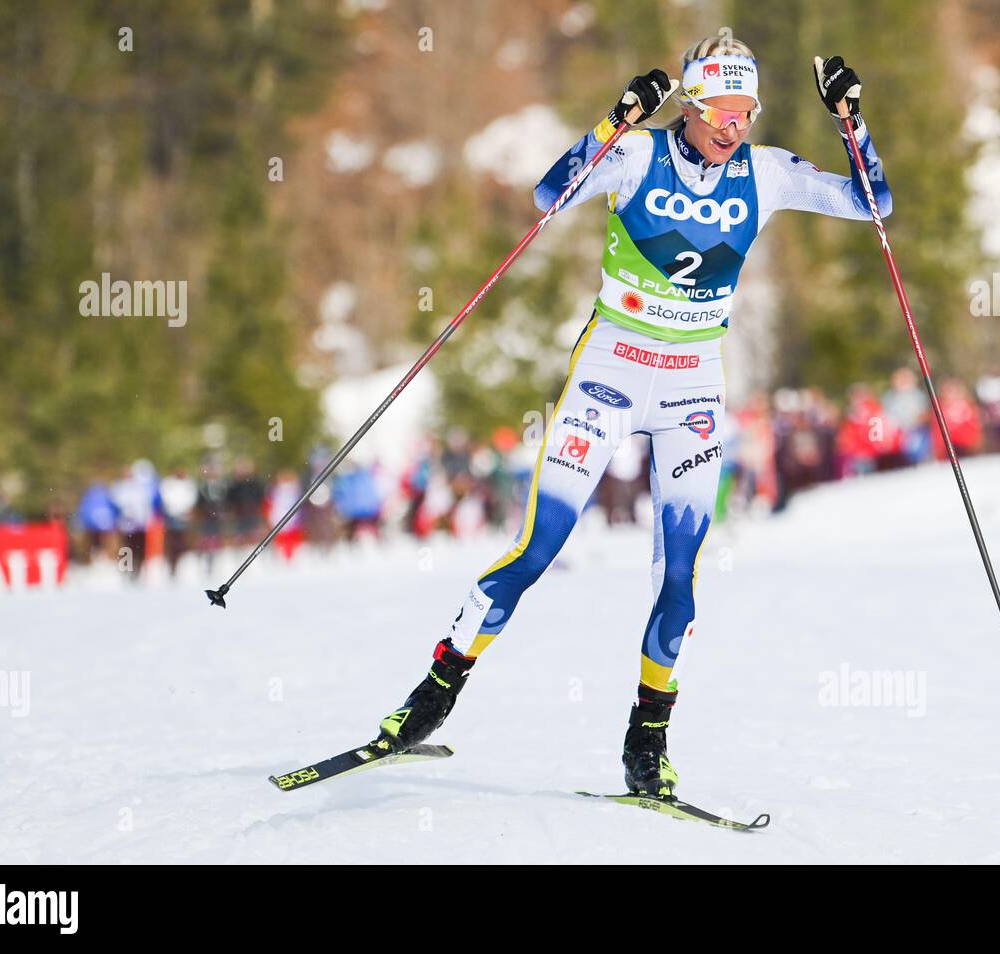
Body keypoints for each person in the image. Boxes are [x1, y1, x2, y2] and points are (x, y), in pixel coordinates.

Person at [362, 37, 892, 797]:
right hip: (610, 371)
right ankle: (431, 696)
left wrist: (852, 122)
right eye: (718, 109)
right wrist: (612, 122)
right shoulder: (639, 156)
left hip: (691, 389)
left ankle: (647, 743)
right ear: (691, 104)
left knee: (680, 581)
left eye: (745, 111)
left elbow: (876, 204)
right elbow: (551, 194)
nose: (732, 126)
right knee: (537, 548)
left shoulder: (765, 172)